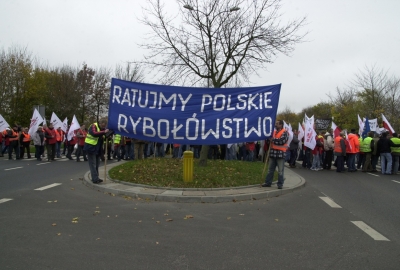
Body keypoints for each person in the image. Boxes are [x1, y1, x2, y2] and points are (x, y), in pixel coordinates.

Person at [262, 120, 289, 189]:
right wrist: (269, 139)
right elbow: (268, 141)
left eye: (277, 124)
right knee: (270, 169)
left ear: (281, 125)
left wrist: (273, 140)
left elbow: (281, 141)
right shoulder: (273, 132)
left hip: (280, 154)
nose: (275, 125)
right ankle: (268, 182)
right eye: (276, 123)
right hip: (272, 154)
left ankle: (280, 184)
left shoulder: (285, 132)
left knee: (280, 170)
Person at [84, 118, 109, 184]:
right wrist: (104, 132)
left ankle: (96, 177)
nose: (103, 127)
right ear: (100, 123)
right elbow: (94, 133)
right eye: (102, 126)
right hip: (90, 147)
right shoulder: (93, 126)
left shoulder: (102, 128)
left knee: (97, 164)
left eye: (104, 126)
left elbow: (104, 135)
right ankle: (95, 179)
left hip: (98, 148)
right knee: (93, 164)